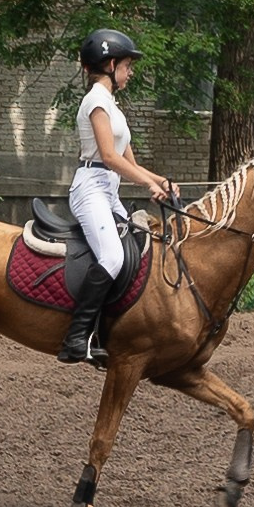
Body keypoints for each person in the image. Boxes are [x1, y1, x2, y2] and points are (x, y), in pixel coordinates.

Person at [60, 27, 179, 367]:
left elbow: (129, 162)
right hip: (90, 189)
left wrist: (160, 182)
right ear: (110, 64)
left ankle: (106, 331)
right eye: (128, 65)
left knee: (135, 251)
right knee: (112, 257)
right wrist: (148, 185)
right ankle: (76, 337)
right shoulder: (95, 101)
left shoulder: (112, 105)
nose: (131, 72)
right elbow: (109, 157)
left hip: (108, 190)